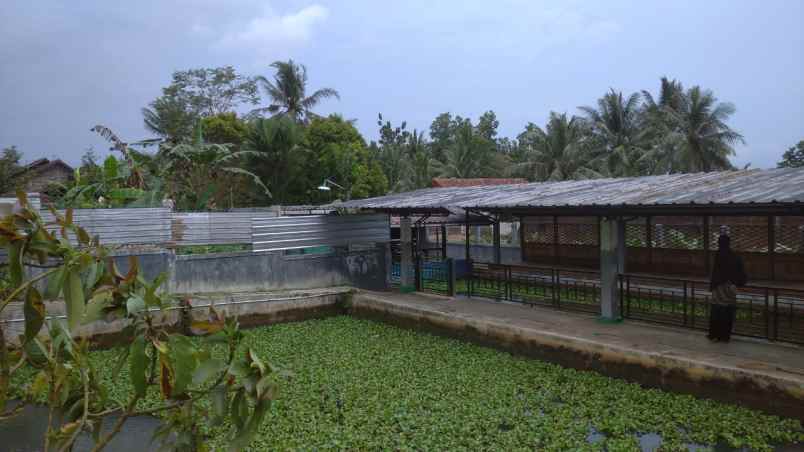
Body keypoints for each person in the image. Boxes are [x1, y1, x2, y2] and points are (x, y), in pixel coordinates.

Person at [708, 235, 748, 342]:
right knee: (728, 312)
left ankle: (714, 334)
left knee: (717, 311)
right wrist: (738, 283)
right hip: (730, 287)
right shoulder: (734, 256)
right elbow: (741, 272)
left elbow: (715, 272)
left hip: (718, 288)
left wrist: (712, 286)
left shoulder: (718, 255)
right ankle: (725, 336)